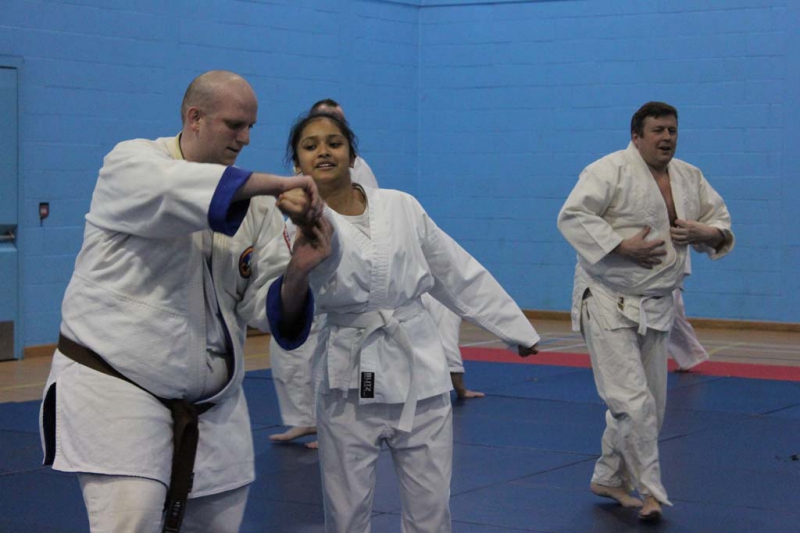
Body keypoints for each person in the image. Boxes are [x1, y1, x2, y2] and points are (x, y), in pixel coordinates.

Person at [38, 70, 336, 533]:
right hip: (119, 393)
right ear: (195, 117)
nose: (245, 138)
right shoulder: (131, 162)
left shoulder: (257, 206)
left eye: (251, 126)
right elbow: (174, 188)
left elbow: (265, 305)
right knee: (131, 519)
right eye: (234, 125)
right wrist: (277, 185)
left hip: (214, 406)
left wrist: (299, 268)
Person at [286, 110, 540, 533]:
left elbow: (454, 270)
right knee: (346, 514)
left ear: (353, 156)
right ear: (297, 164)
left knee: (431, 509)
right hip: (347, 380)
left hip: (419, 371)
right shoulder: (296, 227)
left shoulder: (400, 206)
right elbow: (290, 298)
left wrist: (514, 329)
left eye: (334, 143)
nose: (324, 151)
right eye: (310, 146)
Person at [557, 102, 734, 521]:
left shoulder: (689, 176)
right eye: (658, 130)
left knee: (650, 405)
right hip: (605, 298)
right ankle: (651, 492)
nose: (667, 137)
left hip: (657, 302)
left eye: (672, 130)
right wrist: (621, 245)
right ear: (636, 136)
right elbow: (572, 216)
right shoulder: (608, 170)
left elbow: (720, 224)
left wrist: (706, 232)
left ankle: (609, 477)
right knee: (632, 403)